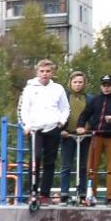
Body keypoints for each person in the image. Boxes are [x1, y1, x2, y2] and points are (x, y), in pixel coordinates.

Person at [18, 59, 71, 206]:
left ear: (52, 73)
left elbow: (65, 108)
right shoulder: (29, 88)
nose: (45, 74)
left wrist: (61, 122)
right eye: (42, 71)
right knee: (36, 158)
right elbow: (24, 109)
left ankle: (45, 194)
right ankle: (33, 192)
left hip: (53, 127)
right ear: (37, 72)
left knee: (50, 161)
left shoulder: (58, 88)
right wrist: (27, 125)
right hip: (35, 129)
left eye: (48, 71)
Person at [80, 75, 111, 208]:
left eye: (109, 85)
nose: (106, 87)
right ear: (101, 86)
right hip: (96, 136)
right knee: (91, 167)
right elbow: (85, 114)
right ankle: (91, 195)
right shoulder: (95, 100)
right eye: (104, 85)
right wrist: (81, 125)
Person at [58, 69, 89, 203]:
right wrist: (62, 129)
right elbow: (59, 113)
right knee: (66, 165)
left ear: (84, 83)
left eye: (80, 82)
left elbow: (92, 116)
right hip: (68, 135)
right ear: (70, 83)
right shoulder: (65, 97)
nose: (77, 85)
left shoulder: (89, 98)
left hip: (85, 136)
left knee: (83, 166)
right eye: (75, 82)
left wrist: (87, 129)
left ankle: (82, 193)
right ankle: (64, 193)